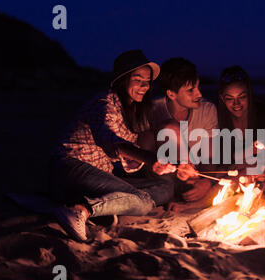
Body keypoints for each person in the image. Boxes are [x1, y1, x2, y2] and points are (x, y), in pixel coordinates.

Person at [50, 50, 174, 242]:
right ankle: (81, 210)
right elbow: (109, 139)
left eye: (148, 81)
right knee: (142, 203)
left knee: (166, 186)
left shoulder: (132, 110)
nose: (144, 86)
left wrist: (169, 164)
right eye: (138, 79)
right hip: (70, 168)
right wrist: (150, 159)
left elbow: (132, 152)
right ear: (122, 80)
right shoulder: (104, 103)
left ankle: (116, 204)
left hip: (101, 174)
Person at [151, 57, 218, 209]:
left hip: (192, 177)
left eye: (198, 87)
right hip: (163, 176)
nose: (199, 94)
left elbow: (209, 157)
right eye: (190, 90)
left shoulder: (207, 110)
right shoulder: (153, 110)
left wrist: (206, 183)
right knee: (170, 127)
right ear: (171, 94)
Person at [216, 65, 265, 186]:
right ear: (222, 99)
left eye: (242, 97)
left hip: (262, 168)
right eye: (230, 99)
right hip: (235, 173)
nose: (236, 104)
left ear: (249, 95)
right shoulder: (218, 118)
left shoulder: (263, 113)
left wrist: (255, 164)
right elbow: (225, 164)